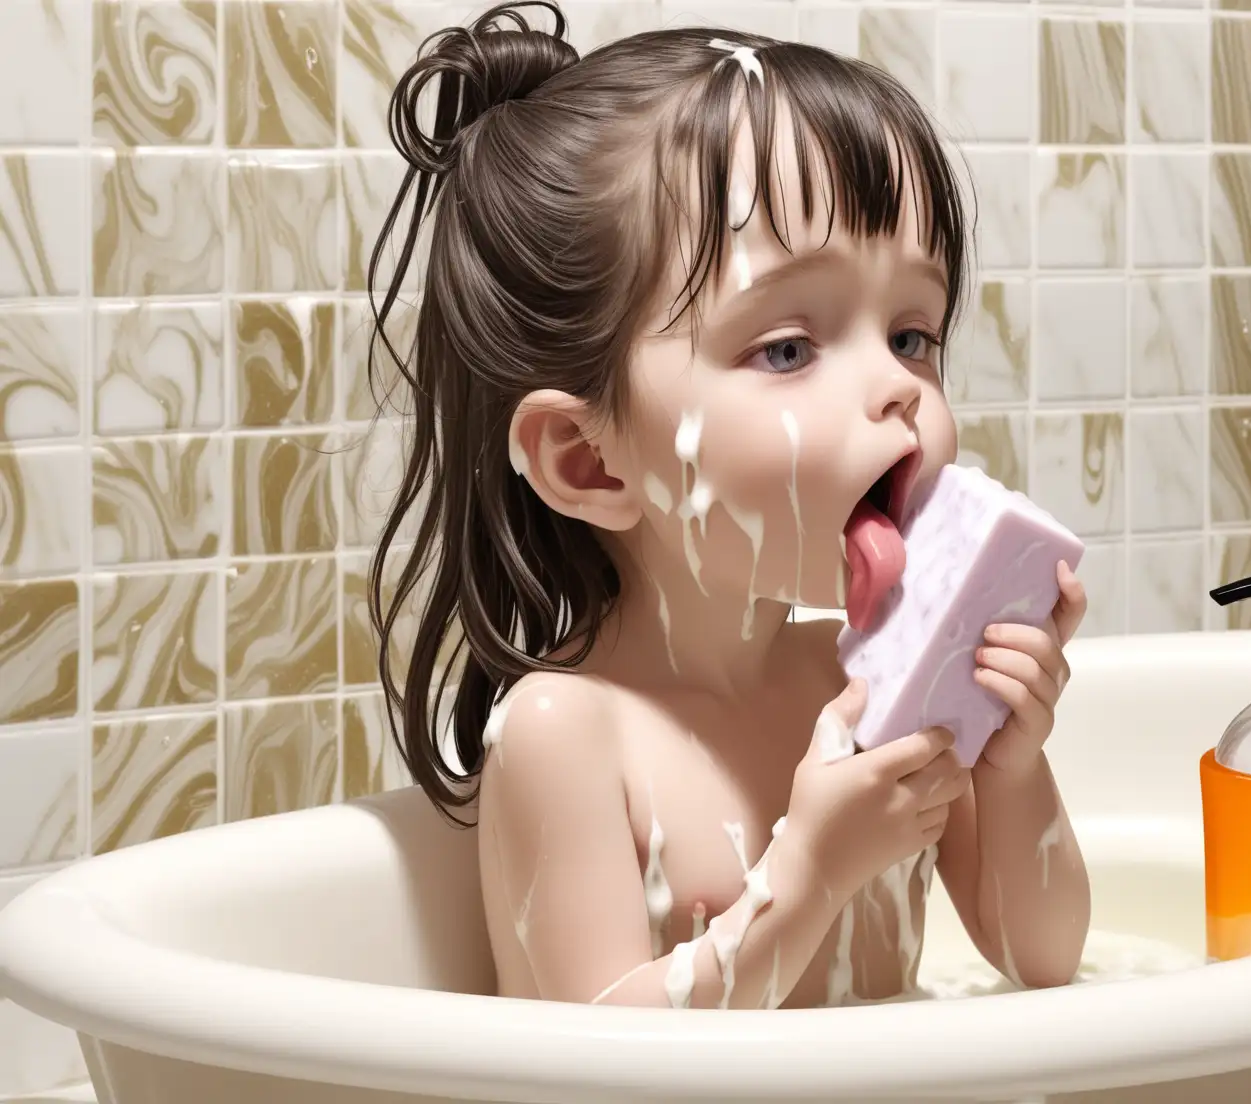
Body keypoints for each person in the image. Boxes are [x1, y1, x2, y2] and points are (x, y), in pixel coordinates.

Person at [361, 0, 1090, 1009]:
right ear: (589, 463)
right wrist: (811, 875)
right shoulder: (566, 734)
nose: (897, 387)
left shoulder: (862, 679)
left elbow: (1044, 960)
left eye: (913, 334)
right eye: (787, 347)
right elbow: (596, 1068)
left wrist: (1010, 768)